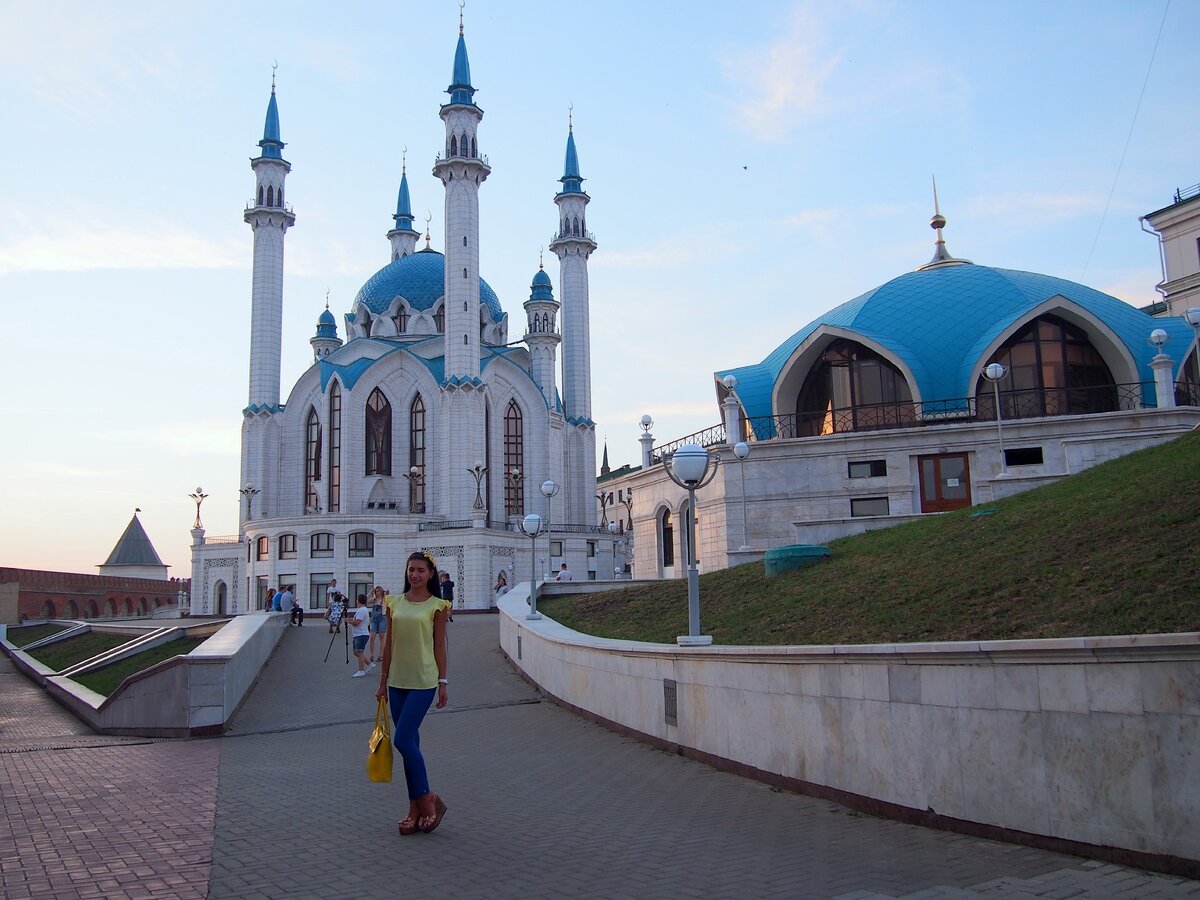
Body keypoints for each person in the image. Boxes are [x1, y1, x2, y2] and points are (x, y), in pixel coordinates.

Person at [376, 551, 450, 836]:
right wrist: (382, 681)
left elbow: (440, 646)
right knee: (411, 747)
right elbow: (388, 645)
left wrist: (443, 681)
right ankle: (414, 807)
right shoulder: (394, 603)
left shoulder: (438, 606)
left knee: (403, 740)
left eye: (420, 570)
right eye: (411, 570)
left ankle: (429, 799)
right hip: (397, 682)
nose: (414, 575)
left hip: (424, 681)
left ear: (430, 574)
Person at [347, 595, 374, 677]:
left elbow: (357, 622)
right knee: (356, 652)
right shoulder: (362, 610)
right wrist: (351, 620)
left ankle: (361, 671)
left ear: (358, 600)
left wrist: (349, 621)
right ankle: (369, 664)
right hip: (358, 634)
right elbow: (357, 621)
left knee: (359, 652)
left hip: (361, 634)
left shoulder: (362, 610)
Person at [368, 586, 388, 661]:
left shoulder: (385, 599)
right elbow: (365, 600)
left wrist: (386, 593)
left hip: (382, 618)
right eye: (376, 591)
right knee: (372, 637)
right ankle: (372, 655)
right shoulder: (374, 599)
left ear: (381, 592)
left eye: (378, 591)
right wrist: (371, 591)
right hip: (374, 619)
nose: (377, 592)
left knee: (381, 636)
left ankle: (381, 655)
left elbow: (389, 595)